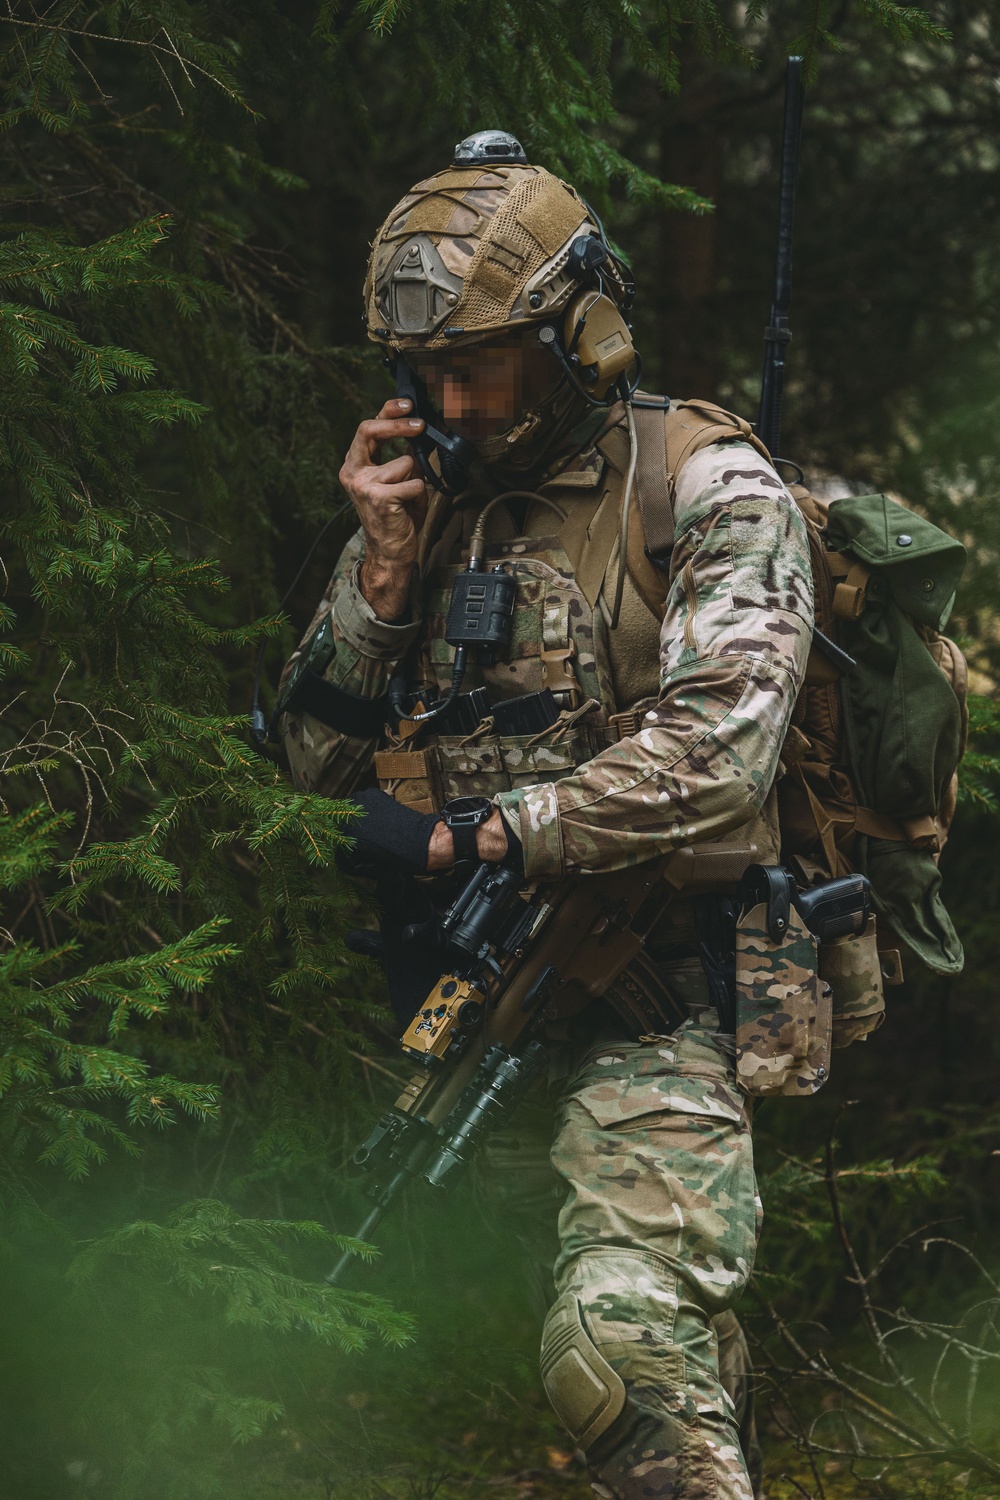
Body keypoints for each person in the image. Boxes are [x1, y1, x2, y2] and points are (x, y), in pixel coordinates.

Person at [280, 129, 815, 1500]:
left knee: (614, 1349)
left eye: (483, 366)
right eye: (428, 373)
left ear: (579, 334)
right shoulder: (435, 508)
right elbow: (308, 769)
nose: (451, 402)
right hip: (486, 1008)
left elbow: (722, 752)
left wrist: (498, 832)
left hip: (665, 994)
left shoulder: (705, 486)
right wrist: (384, 578)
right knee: (574, 1368)